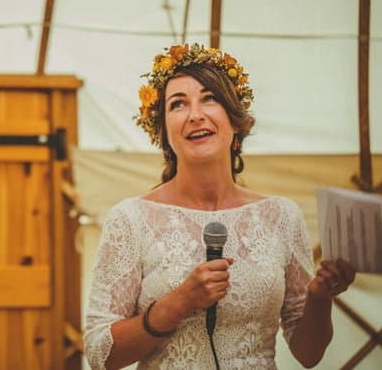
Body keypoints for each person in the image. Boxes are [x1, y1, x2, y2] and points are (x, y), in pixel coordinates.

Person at [83, 44, 357, 369]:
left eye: (209, 98)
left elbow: (309, 354)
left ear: (235, 122)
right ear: (164, 133)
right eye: (178, 104)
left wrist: (319, 298)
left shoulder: (281, 216)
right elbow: (100, 353)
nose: (195, 114)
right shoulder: (130, 219)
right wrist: (178, 302)